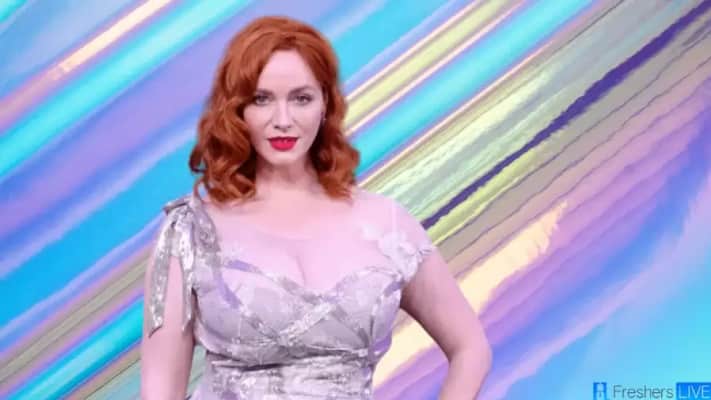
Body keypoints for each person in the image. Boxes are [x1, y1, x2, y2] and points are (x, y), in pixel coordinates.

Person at [140, 15, 491, 400]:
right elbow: (159, 392)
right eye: (261, 99)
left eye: (301, 99)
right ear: (237, 110)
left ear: (326, 104)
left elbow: (471, 348)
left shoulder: (386, 224)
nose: (283, 120)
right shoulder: (190, 233)